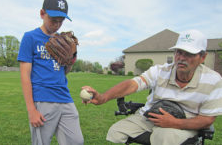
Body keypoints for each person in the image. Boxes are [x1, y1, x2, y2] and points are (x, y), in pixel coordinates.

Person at [82, 29, 222, 145]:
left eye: (189, 54)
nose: (181, 58)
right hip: (150, 116)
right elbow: (133, 84)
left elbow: (207, 120)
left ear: (203, 57)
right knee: (117, 131)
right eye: (179, 52)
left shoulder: (213, 80)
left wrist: (174, 123)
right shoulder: (160, 71)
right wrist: (103, 97)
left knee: (164, 137)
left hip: (185, 122)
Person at [17, 0, 84, 145]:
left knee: (76, 141)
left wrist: (71, 60)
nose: (57, 24)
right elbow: (24, 76)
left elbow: (63, 72)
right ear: (42, 14)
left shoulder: (63, 40)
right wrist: (31, 110)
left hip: (64, 96)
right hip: (42, 99)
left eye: (61, 21)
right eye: (53, 20)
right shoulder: (30, 37)